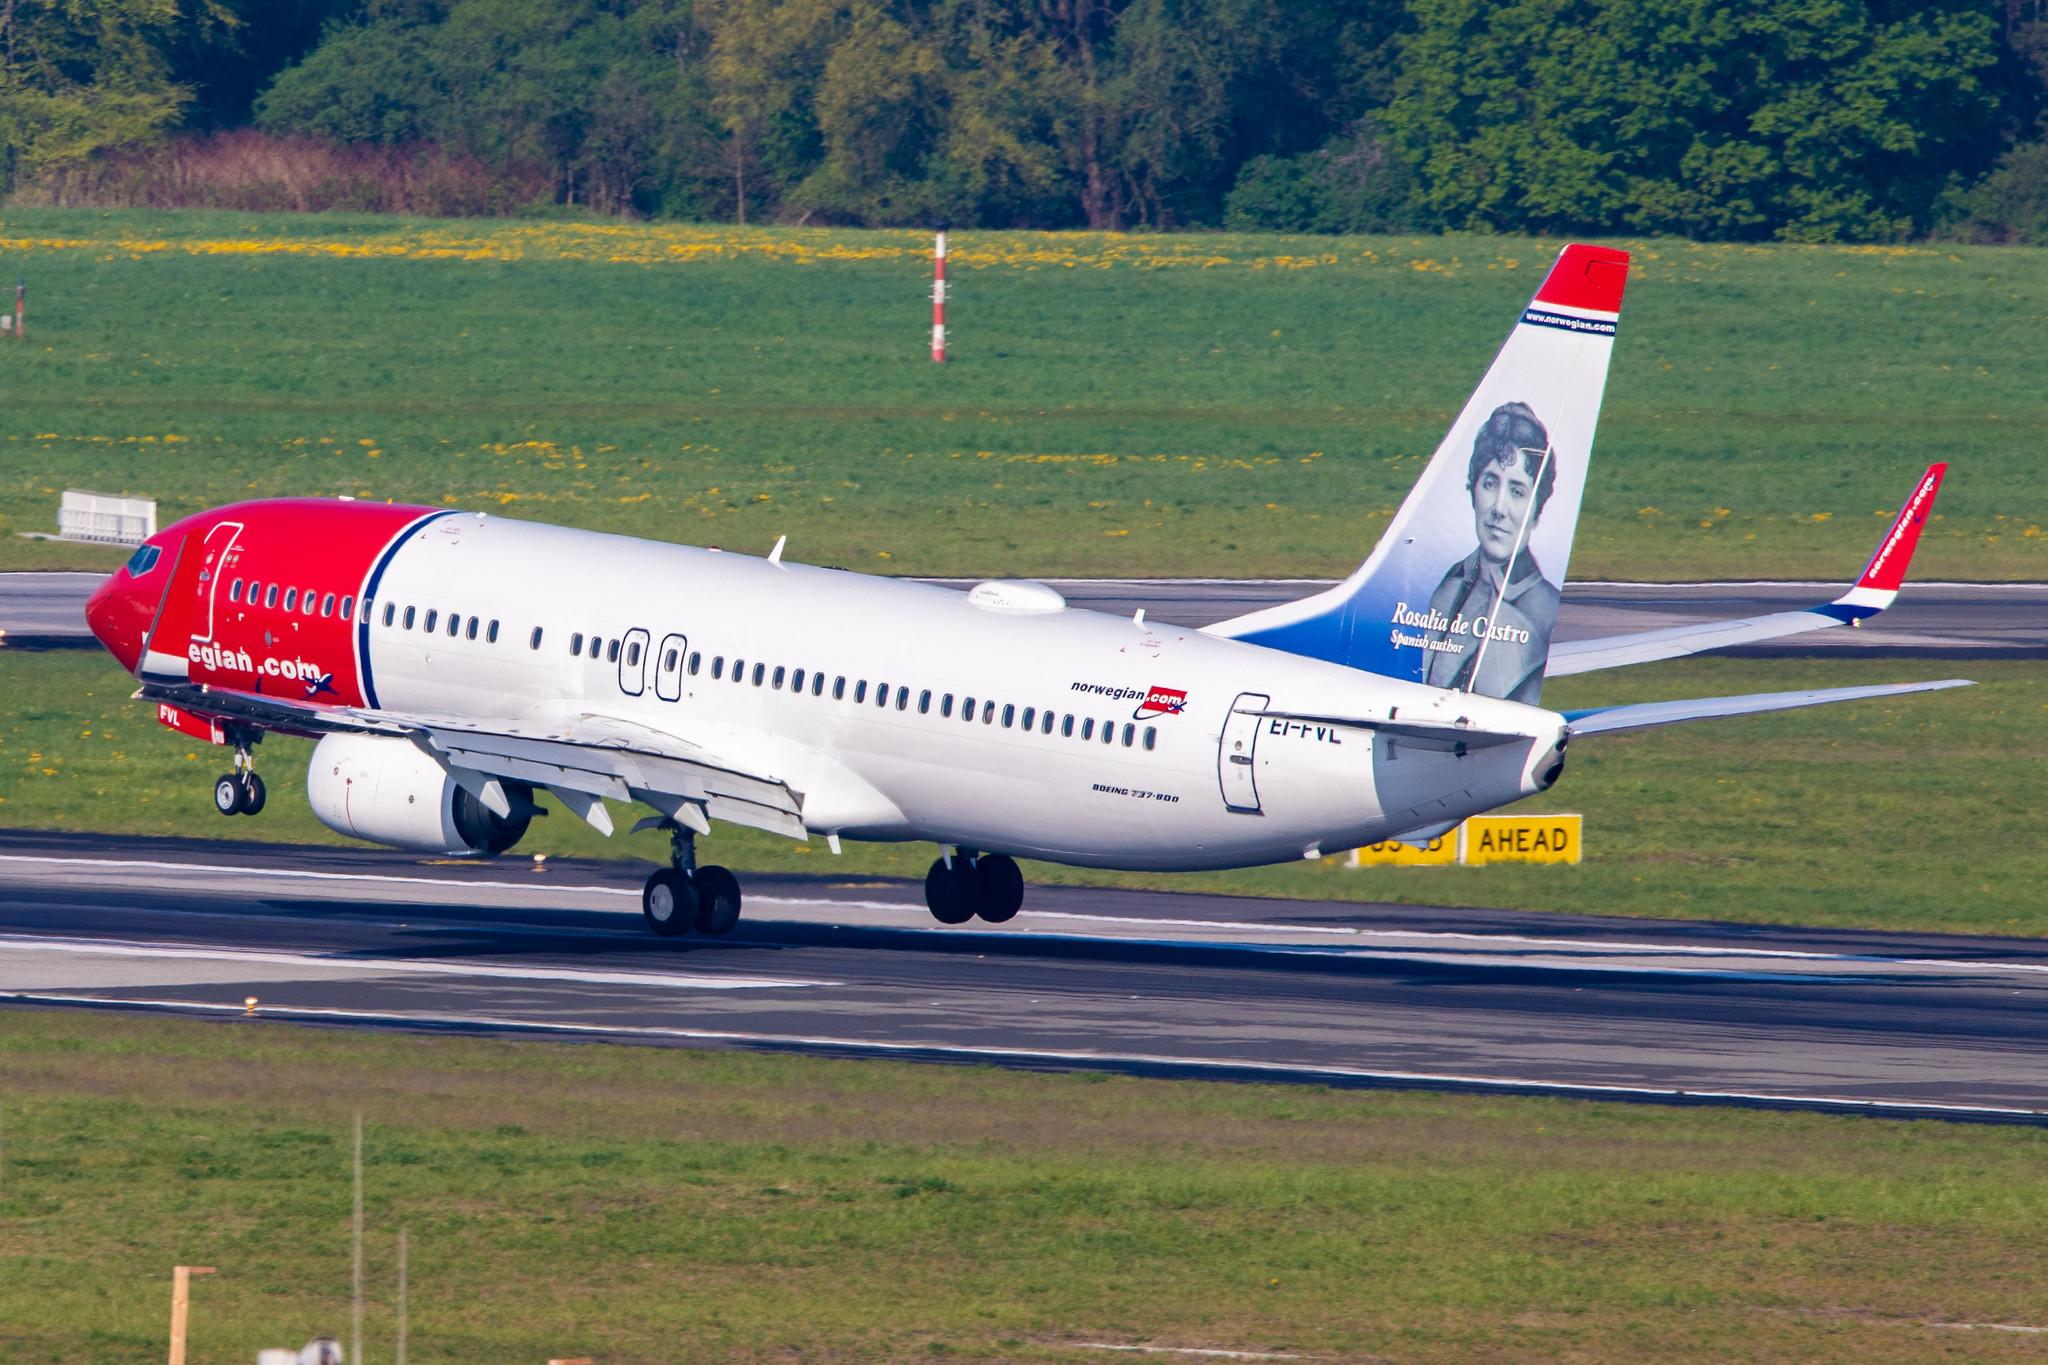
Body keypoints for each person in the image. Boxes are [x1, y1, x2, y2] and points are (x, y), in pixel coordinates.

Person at [1419, 401, 1562, 704]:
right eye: (1490, 483)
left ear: (1537, 509)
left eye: (1517, 491)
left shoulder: (1542, 613)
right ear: (1473, 491)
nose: (1499, 508)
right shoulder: (1451, 583)